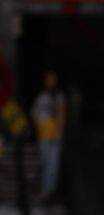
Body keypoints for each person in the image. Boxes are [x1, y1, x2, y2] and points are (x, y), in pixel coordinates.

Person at [31, 69, 67, 203]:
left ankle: (48, 192)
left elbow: (62, 115)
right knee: (45, 163)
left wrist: (58, 133)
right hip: (43, 135)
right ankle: (45, 190)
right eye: (48, 78)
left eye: (52, 78)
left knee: (53, 165)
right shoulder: (41, 97)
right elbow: (34, 112)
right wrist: (39, 125)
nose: (50, 81)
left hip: (54, 134)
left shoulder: (59, 96)